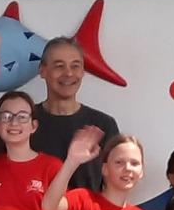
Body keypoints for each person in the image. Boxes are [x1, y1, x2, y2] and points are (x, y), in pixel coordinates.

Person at [32, 37, 120, 193]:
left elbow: (114, 186)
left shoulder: (103, 124)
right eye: (59, 66)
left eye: (75, 66)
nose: (68, 73)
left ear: (83, 71)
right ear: (42, 71)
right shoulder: (24, 122)